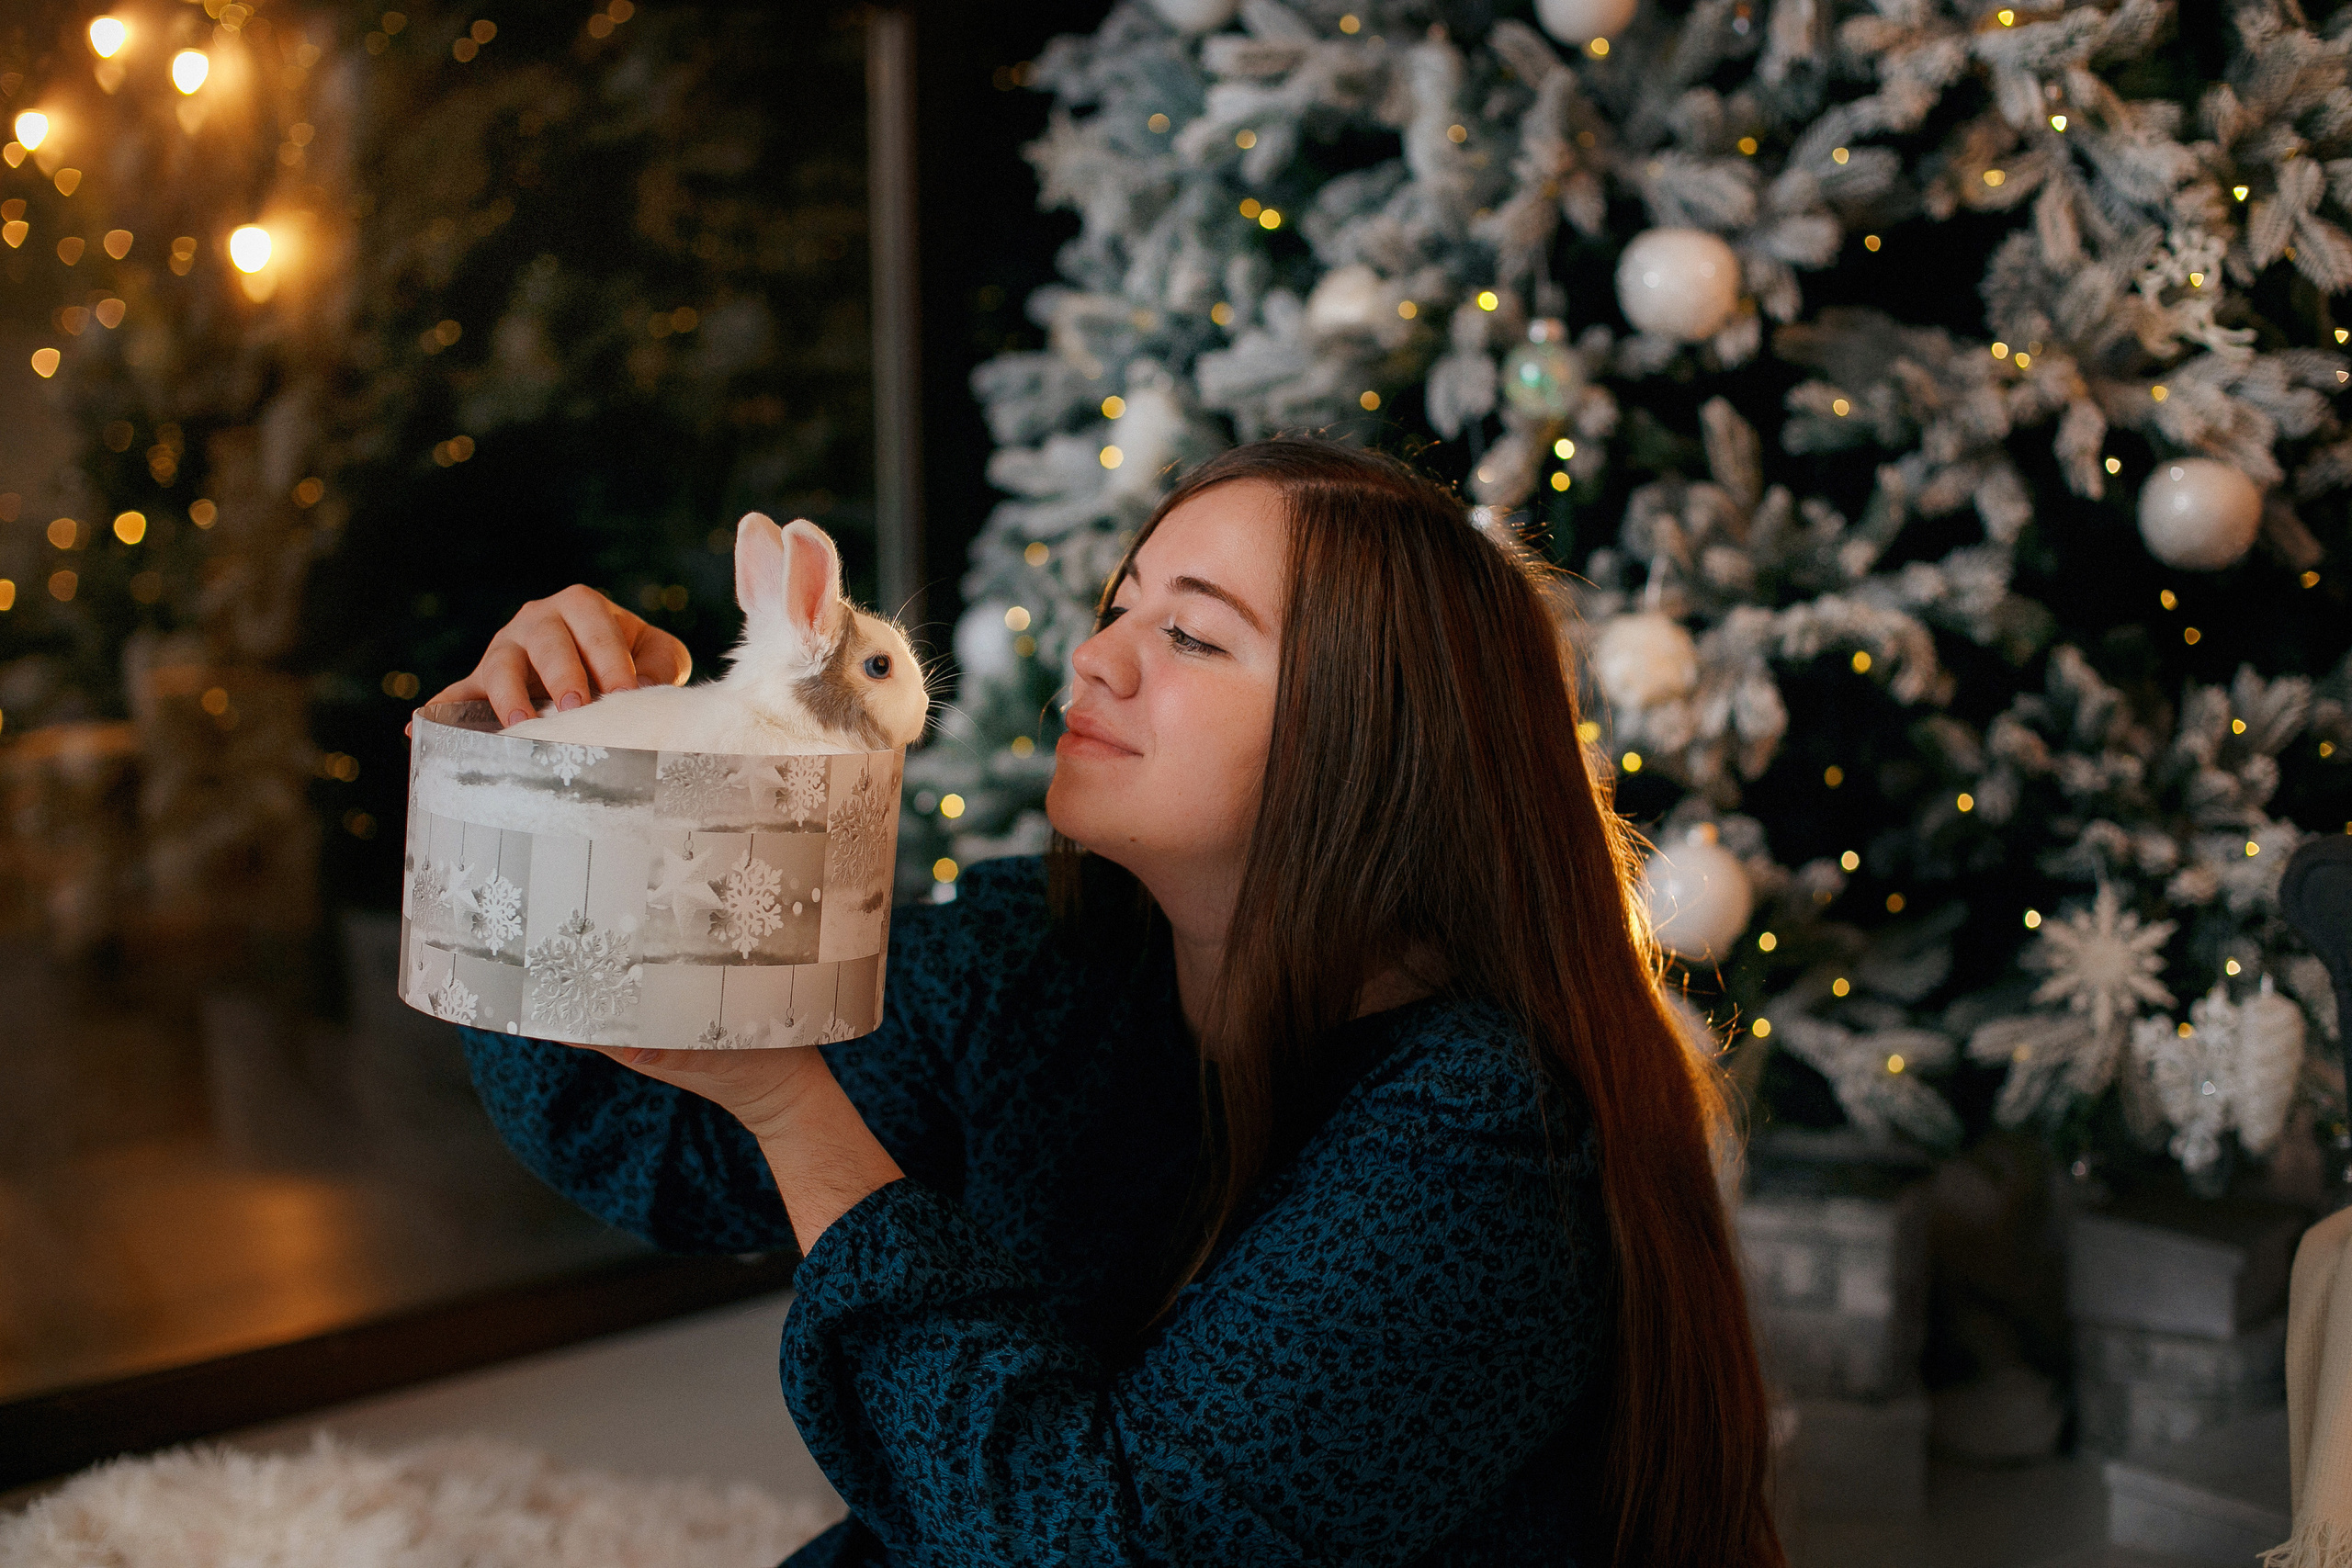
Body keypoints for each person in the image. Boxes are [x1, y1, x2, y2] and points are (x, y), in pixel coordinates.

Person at [434, 437, 1786, 1566]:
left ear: (1379, 740)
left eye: (1192, 634)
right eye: (1121, 605)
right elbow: (660, 1155)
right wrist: (525, 794)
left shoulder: (1488, 1135)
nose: (1098, 660)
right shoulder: (1049, 958)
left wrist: (798, 1110)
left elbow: (1102, 1541)